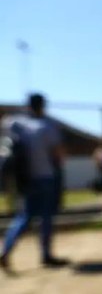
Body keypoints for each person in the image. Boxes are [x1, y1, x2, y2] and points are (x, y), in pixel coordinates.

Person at [1, 93, 69, 273]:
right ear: (42, 106)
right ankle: (46, 255)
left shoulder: (14, 123)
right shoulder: (47, 126)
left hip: (24, 179)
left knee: (24, 216)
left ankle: (5, 250)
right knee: (46, 216)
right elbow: (58, 155)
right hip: (45, 177)